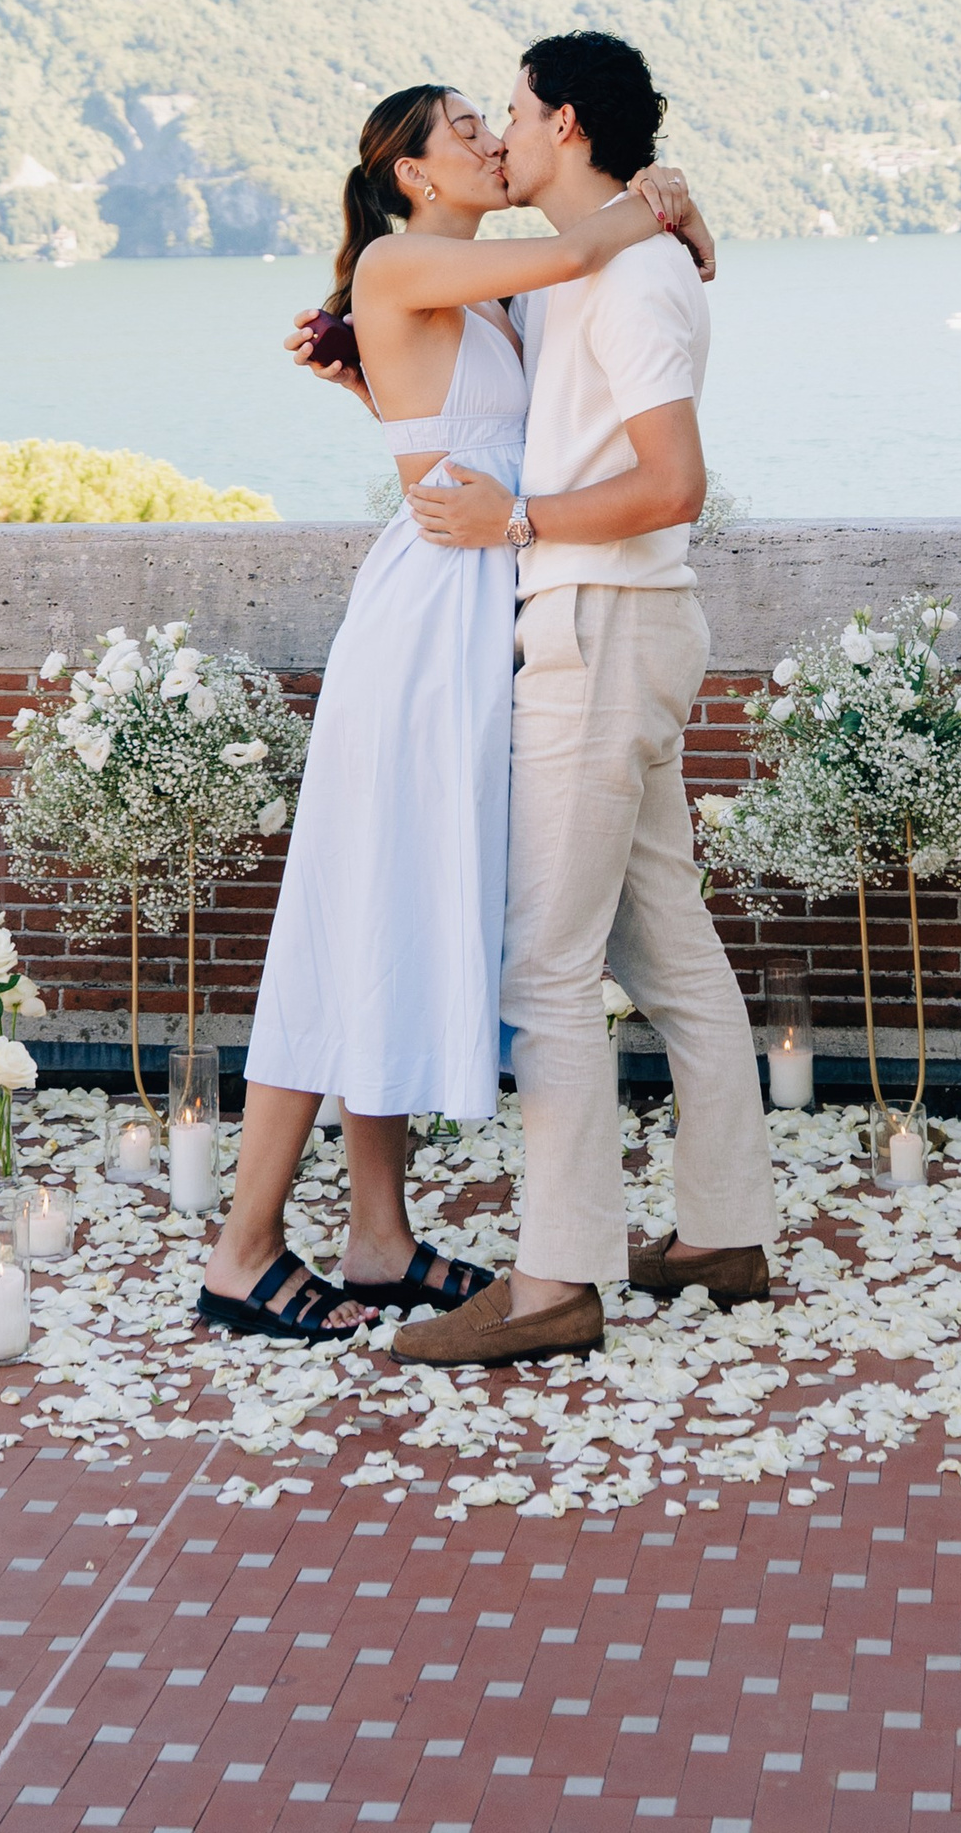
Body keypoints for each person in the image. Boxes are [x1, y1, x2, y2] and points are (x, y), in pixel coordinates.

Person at [198, 80, 708, 1344]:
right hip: (429, 618)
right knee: (344, 917)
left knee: (391, 916)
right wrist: (658, 197)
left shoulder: (487, 293)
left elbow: (511, 372)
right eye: (465, 129)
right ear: (415, 174)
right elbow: (586, 247)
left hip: (495, 601)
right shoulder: (399, 258)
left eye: (496, 120)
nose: (490, 140)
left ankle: (378, 1236)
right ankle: (242, 1249)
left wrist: (679, 217)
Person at [384, 29, 778, 1367]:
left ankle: (555, 1279)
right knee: (667, 948)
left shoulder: (633, 278)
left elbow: (674, 484)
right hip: (614, 627)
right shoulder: (590, 262)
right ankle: (723, 1230)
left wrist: (514, 523)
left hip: (603, 626)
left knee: (544, 965)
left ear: (563, 122)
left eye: (510, 111)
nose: (499, 134)